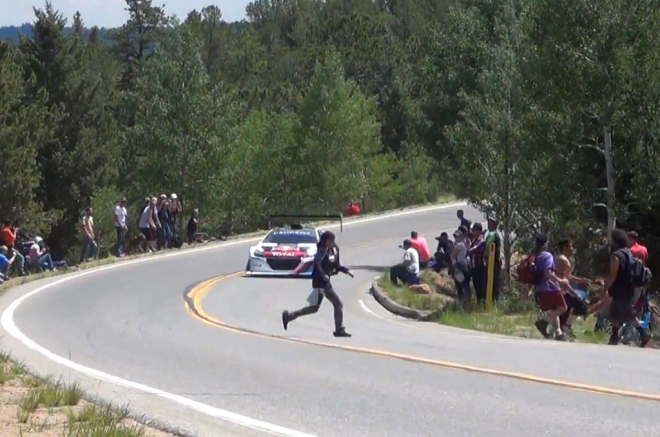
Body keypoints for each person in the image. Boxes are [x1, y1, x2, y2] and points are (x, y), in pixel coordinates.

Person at [282, 231, 353, 337]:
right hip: (322, 284)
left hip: (322, 283)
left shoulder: (331, 251)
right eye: (331, 240)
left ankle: (289, 316)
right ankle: (339, 330)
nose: (333, 243)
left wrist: (345, 270)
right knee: (338, 304)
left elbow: (336, 265)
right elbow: (317, 264)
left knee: (314, 308)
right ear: (326, 241)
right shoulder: (322, 251)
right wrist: (323, 275)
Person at [602, 229, 651, 347]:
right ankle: (642, 333)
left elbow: (613, 273)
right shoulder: (628, 252)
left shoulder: (615, 255)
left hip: (619, 288)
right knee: (626, 314)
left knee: (616, 313)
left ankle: (615, 337)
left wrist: (605, 287)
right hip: (629, 287)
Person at [532, 235, 571, 341]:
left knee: (555, 309)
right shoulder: (547, 255)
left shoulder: (535, 256)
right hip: (550, 288)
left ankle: (558, 333)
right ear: (545, 244)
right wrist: (560, 281)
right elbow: (548, 272)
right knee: (563, 308)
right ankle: (544, 318)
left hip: (539, 289)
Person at [554, 239, 591, 338]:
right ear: (565, 248)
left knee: (567, 310)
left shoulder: (559, 258)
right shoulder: (564, 260)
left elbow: (568, 276)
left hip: (561, 290)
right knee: (581, 306)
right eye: (571, 247)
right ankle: (567, 326)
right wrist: (573, 292)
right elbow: (566, 278)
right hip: (562, 291)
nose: (572, 249)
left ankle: (563, 330)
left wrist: (581, 280)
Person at [467, 223, 487, 303]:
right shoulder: (474, 240)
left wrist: (467, 251)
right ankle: (479, 303)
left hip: (479, 267)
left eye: (474, 230)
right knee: (476, 286)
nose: (472, 232)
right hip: (474, 267)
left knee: (480, 287)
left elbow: (474, 249)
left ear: (478, 231)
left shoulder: (481, 241)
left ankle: (483, 304)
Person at [483, 217, 502, 301]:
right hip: (493, 262)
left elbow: (489, 246)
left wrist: (485, 256)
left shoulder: (492, 235)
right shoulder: (490, 234)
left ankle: (493, 301)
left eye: (490, 223)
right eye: (488, 223)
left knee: (493, 283)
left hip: (493, 262)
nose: (488, 225)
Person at [451, 229, 470, 301]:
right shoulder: (464, 244)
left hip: (459, 265)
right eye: (455, 236)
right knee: (464, 284)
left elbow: (452, 255)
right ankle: (466, 299)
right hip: (463, 264)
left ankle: (462, 300)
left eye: (457, 236)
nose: (456, 238)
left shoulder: (459, 245)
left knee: (459, 284)